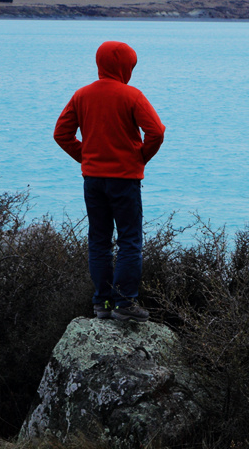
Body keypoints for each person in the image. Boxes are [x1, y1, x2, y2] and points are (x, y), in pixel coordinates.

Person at [54, 40, 166, 323]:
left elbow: (61, 134)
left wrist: (87, 157)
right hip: (124, 180)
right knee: (129, 241)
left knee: (99, 241)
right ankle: (124, 303)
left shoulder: (82, 95)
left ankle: (102, 302)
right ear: (125, 66)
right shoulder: (132, 95)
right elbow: (156, 132)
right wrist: (140, 158)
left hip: (93, 180)